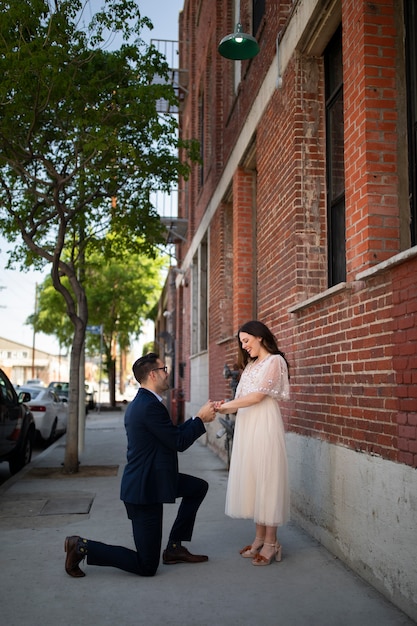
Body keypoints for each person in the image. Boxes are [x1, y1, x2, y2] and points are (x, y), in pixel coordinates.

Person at [64, 352, 216, 578]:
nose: (168, 374)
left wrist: (196, 419)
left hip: (157, 479)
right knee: (147, 566)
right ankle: (82, 546)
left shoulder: (148, 403)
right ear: (153, 375)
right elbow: (178, 442)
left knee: (197, 487)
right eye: (165, 369)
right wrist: (200, 419)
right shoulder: (148, 407)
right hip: (144, 491)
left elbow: (170, 435)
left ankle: (174, 547)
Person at [215, 320, 290, 566]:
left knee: (267, 479)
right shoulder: (251, 365)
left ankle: (272, 542)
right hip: (248, 424)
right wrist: (226, 404)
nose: (244, 346)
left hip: (264, 423)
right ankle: (259, 537)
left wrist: (222, 406)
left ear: (260, 337)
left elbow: (257, 397)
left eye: (246, 340)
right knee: (255, 479)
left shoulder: (274, 361)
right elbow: (243, 398)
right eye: (242, 342)